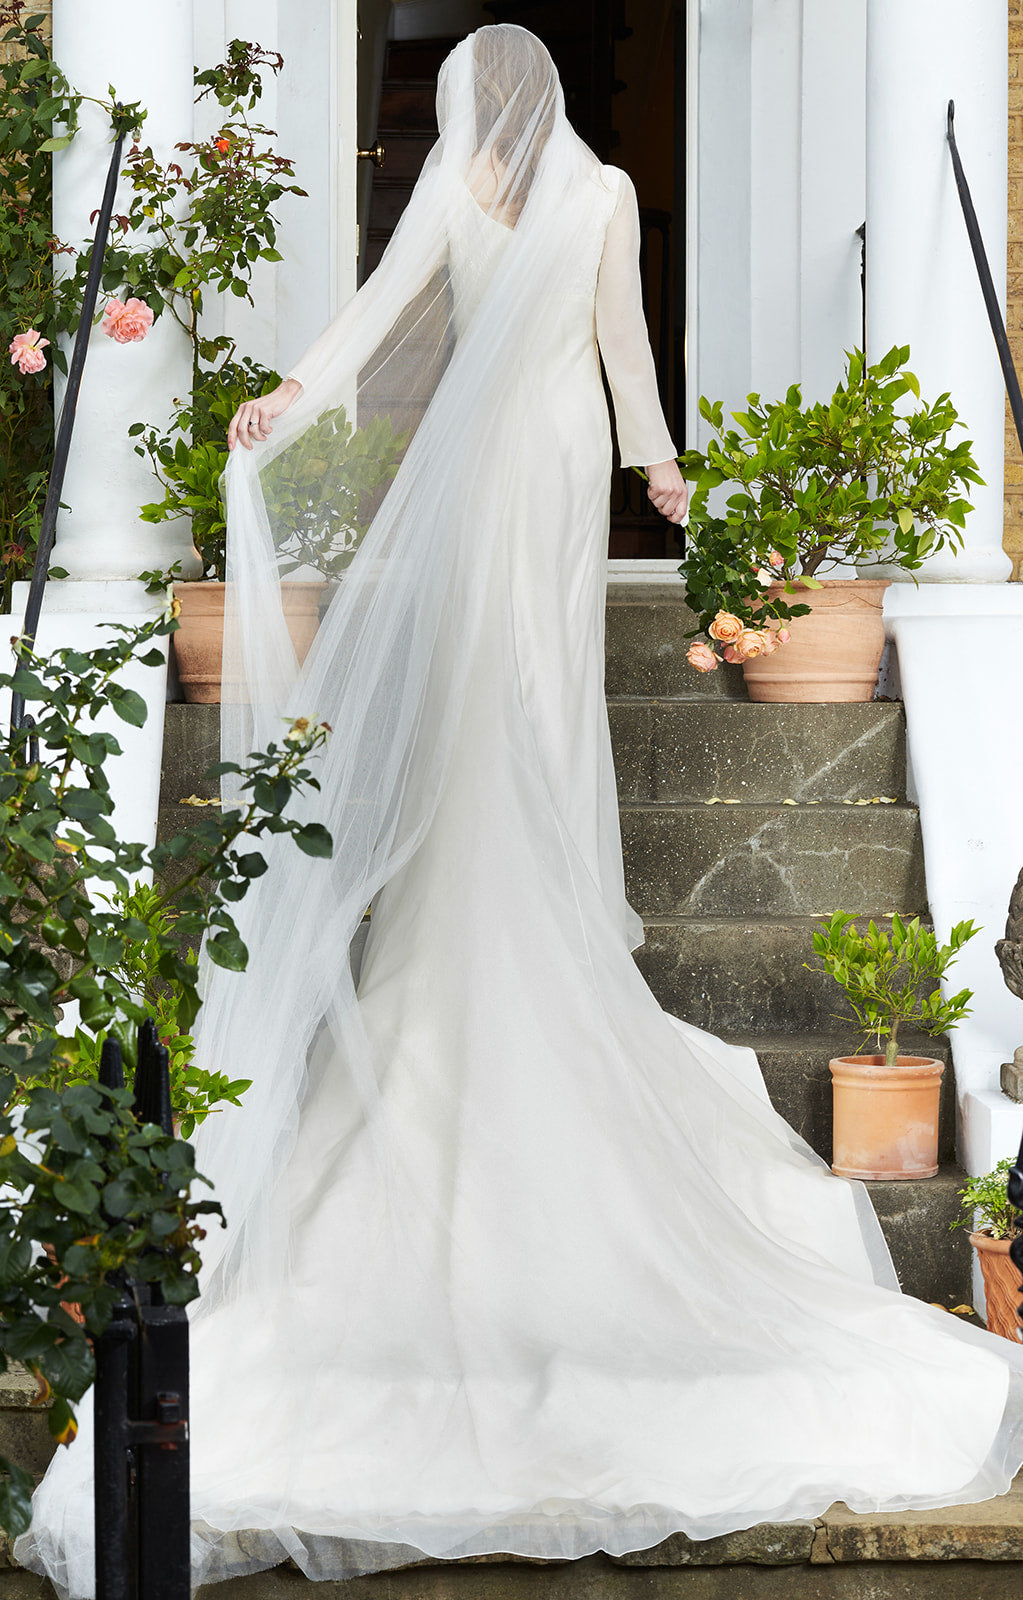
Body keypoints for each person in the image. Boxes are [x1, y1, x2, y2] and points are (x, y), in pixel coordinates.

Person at [17, 24, 1023, 1598]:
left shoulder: (459, 195)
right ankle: (525, 910)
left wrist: (294, 392)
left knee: (505, 708)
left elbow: (379, 320)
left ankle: (499, 917)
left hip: (506, 487)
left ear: (472, 105)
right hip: (547, 475)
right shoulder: (606, 191)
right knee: (530, 710)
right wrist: (681, 487)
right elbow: (622, 375)